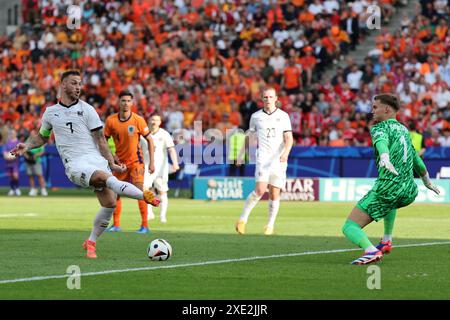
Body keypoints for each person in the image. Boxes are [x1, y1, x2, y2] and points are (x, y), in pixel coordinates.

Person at [10, 70, 159, 259]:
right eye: (74, 83)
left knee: (110, 204)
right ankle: (144, 195)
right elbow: (42, 137)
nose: (78, 87)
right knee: (105, 178)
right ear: (63, 85)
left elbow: (101, 140)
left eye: (80, 83)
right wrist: (27, 145)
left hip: (95, 159)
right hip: (75, 164)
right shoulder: (50, 113)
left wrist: (111, 163)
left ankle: (91, 242)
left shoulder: (88, 109)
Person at [341, 94, 440, 265]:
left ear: (386, 109)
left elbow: (381, 143)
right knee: (391, 203)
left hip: (388, 186)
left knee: (349, 227)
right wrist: (427, 181)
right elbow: (416, 159)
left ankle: (371, 251)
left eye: (375, 107)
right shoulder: (404, 130)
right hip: (409, 190)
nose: (372, 111)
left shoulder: (379, 127)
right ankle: (386, 240)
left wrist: (385, 156)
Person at [235, 87, 293, 235]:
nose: (268, 100)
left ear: (276, 99)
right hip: (263, 158)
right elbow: (249, 136)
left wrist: (285, 153)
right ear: (262, 99)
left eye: (271, 97)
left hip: (279, 160)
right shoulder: (256, 117)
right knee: (260, 190)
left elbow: (289, 139)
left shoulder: (283, 116)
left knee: (274, 193)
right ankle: (242, 220)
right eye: (265, 97)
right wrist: (241, 154)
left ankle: (269, 225)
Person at [104, 90, 157, 234]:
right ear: (118, 102)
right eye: (123, 101)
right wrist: (112, 156)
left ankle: (145, 226)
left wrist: (151, 162)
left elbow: (150, 141)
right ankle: (116, 225)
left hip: (136, 162)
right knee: (115, 193)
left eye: (128, 101)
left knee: (139, 193)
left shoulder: (138, 120)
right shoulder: (111, 121)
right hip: (119, 164)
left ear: (132, 103)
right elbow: (102, 141)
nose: (126, 103)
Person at [142, 113, 179, 223]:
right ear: (148, 120)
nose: (154, 122)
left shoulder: (164, 134)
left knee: (162, 191)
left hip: (160, 168)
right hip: (146, 166)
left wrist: (175, 163)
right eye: (153, 119)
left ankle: (163, 216)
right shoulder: (143, 133)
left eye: (157, 120)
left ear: (160, 122)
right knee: (145, 189)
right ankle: (150, 213)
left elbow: (171, 149)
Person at [3, 130, 21, 196]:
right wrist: (6, 156)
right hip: (8, 162)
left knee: (15, 176)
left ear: (16, 134)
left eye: (13, 133)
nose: (12, 134)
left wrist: (13, 157)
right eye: (11, 133)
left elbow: (19, 151)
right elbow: (5, 151)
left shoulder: (18, 142)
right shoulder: (7, 143)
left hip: (15, 162)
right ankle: (12, 189)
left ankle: (17, 188)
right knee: (11, 176)